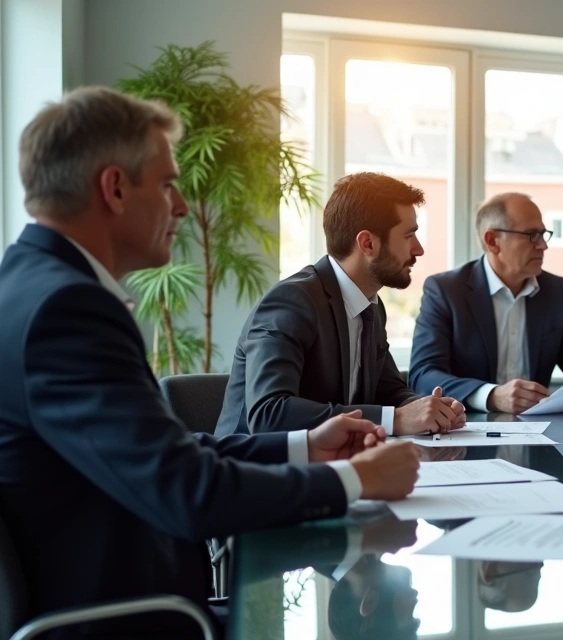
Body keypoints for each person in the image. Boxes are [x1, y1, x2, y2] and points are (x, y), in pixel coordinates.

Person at [0, 87, 421, 638]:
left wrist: (305, 446)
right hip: (134, 617)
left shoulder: (33, 284)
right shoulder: (68, 309)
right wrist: (352, 479)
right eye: (168, 184)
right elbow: (186, 490)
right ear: (116, 188)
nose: (181, 205)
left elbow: (164, 453)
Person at [218, 172, 466, 437]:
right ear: (367, 243)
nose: (418, 250)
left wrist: (428, 408)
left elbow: (389, 389)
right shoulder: (291, 302)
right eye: (408, 236)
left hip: (329, 464)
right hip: (253, 470)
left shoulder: (370, 305)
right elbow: (269, 414)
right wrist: (396, 418)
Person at [409, 193, 563, 414]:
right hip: (465, 433)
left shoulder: (556, 290)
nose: (543, 245)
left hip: (538, 433)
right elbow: (423, 375)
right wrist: (491, 396)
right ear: (492, 241)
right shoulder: (446, 290)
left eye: (543, 235)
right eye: (532, 235)